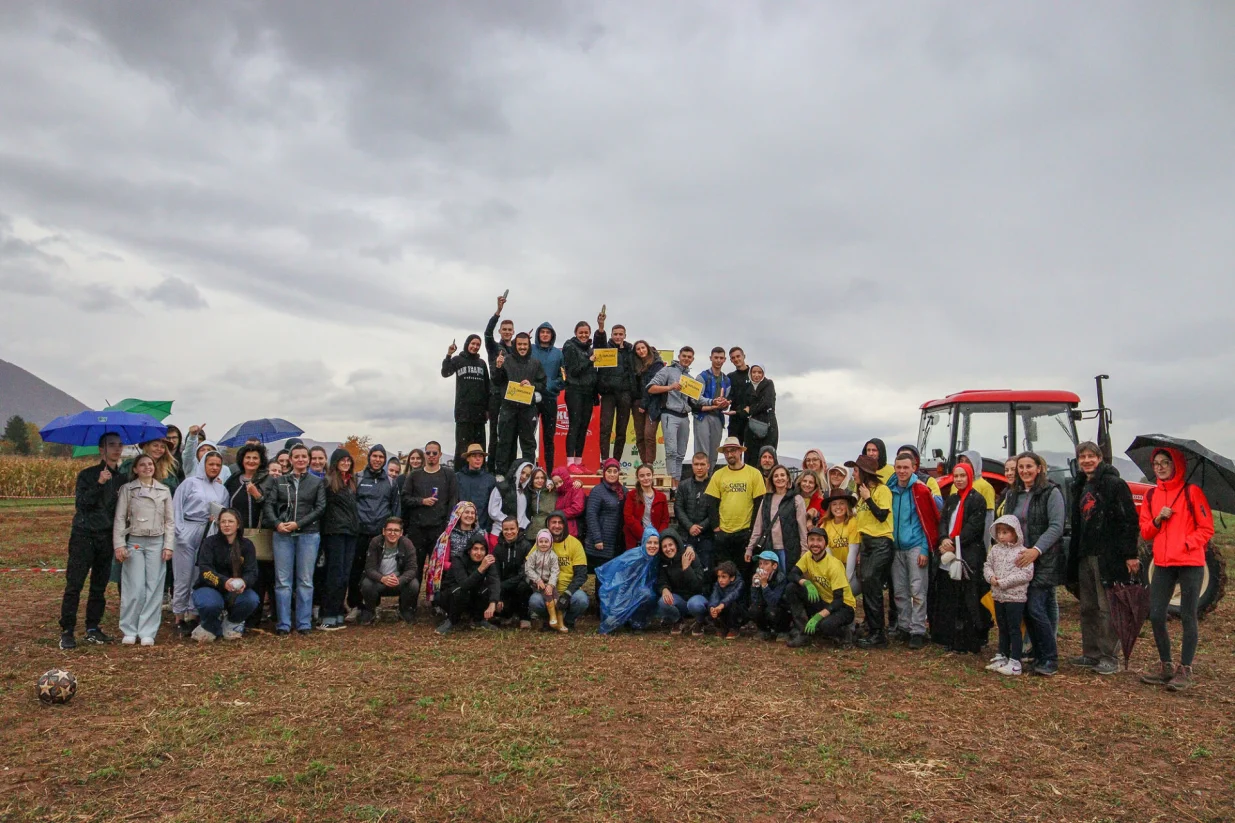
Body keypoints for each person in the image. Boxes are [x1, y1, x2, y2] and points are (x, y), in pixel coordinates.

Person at [1139, 447, 1214, 691]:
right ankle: (1166, 666)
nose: (1160, 467)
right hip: (1162, 563)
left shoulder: (1192, 492)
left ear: (1176, 465)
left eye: (1165, 463)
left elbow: (1206, 529)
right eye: (1156, 463)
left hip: (1190, 563)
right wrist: (1158, 518)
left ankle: (1185, 669)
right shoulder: (1151, 497)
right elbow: (1146, 532)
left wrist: (1186, 544)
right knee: (1157, 614)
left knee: (1188, 614)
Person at [1065, 442, 1140, 676]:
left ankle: (1109, 657)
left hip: (1107, 554)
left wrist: (1130, 554)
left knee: (1107, 606)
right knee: (1088, 606)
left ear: (1100, 458)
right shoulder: (1079, 485)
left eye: (1091, 456)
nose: (1086, 460)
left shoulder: (1114, 485)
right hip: (1085, 552)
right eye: (1082, 457)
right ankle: (1091, 653)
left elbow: (1128, 520)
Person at [1000, 450, 1066, 676]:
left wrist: (1036, 550)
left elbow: (1056, 526)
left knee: (1037, 608)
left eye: (1029, 466)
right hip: (1019, 560)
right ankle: (1037, 654)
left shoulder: (1051, 493)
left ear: (1039, 469)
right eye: (1021, 467)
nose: (1025, 471)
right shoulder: (1013, 494)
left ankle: (1050, 658)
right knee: (1026, 610)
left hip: (1044, 559)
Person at [263, 443, 326, 636]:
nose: (300, 460)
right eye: (296, 457)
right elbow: (269, 504)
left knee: (305, 580)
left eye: (303, 457)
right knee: (283, 581)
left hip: (308, 534)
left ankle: (304, 623)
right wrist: (277, 524)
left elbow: (320, 507)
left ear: (308, 459)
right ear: (290, 460)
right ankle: (283, 624)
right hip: (282, 535)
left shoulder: (316, 482)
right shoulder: (279, 481)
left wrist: (299, 524)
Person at [112, 453, 175, 645]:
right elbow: (120, 518)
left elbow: (170, 521)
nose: (147, 467)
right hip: (135, 541)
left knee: (154, 587)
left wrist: (168, 545)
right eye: (142, 465)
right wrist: (120, 544)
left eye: (150, 464)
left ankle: (148, 631)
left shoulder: (164, 490)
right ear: (135, 469)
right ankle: (129, 629)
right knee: (135, 587)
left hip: (157, 542)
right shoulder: (128, 490)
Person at [931, 462, 990, 654]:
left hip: (968, 555)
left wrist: (954, 541)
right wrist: (943, 539)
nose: (958, 480)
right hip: (949, 553)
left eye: (962, 476)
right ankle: (950, 637)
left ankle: (970, 640)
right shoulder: (951, 500)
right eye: (956, 476)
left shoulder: (977, 500)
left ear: (970, 477)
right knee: (950, 597)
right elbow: (944, 522)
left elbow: (974, 528)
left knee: (968, 599)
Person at [171, 447, 230, 637]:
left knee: (199, 573)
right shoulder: (190, 483)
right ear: (203, 464)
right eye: (211, 464)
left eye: (218, 465)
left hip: (208, 531)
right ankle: (179, 615)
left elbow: (224, 511)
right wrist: (179, 531)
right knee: (183, 575)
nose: (214, 468)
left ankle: (194, 614)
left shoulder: (221, 489)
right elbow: (176, 508)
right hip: (187, 529)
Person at [887, 453, 941, 649]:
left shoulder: (920, 490)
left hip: (916, 545)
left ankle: (918, 629)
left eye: (906, 468)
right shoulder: (890, 490)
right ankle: (904, 626)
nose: (902, 471)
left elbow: (929, 521)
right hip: (896, 546)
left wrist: (925, 549)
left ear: (913, 468)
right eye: (899, 467)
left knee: (917, 589)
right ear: (895, 467)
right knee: (900, 590)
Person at [223, 444, 274, 629]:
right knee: (235, 572)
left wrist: (257, 495)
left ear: (261, 461)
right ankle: (235, 614)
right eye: (248, 458)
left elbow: (272, 506)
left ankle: (254, 618)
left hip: (259, 536)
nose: (251, 461)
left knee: (257, 576)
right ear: (242, 460)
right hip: (236, 536)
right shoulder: (233, 480)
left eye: (255, 458)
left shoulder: (268, 480)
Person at [190, 508, 260, 642]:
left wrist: (244, 582)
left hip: (236, 590)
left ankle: (232, 623)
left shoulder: (247, 545)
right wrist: (224, 582)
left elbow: (252, 572)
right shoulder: (209, 543)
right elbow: (205, 570)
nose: (226, 525)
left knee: (251, 599)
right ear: (218, 524)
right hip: (210, 587)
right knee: (210, 604)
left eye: (230, 521)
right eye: (223, 522)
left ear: (238, 524)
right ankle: (209, 626)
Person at [846, 455, 894, 648]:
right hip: (866, 543)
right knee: (867, 585)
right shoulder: (861, 493)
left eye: (856, 471)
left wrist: (868, 498)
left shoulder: (882, 490)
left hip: (881, 542)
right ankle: (873, 628)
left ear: (865, 473)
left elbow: (882, 515)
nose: (853, 474)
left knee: (871, 583)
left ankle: (879, 634)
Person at [705, 438, 766, 586]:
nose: (730, 454)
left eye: (733, 450)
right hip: (724, 533)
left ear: (740, 451)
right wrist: (716, 528)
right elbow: (711, 503)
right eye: (726, 451)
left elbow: (759, 504)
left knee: (744, 573)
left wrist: (753, 530)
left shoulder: (754, 473)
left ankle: (742, 606)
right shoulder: (718, 474)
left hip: (745, 532)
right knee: (724, 574)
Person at [350, 444, 401, 621]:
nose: (377, 459)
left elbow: (395, 507)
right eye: (375, 456)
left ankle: (373, 605)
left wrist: (393, 529)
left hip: (381, 534)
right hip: (360, 532)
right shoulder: (358, 478)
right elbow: (352, 504)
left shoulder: (390, 482)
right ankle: (355, 604)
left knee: (377, 569)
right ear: (369, 457)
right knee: (357, 569)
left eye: (381, 457)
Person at [785, 528, 857, 648]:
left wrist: (818, 617)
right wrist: (806, 583)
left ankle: (846, 633)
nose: (815, 544)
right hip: (823, 600)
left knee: (825, 626)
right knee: (792, 587)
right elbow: (792, 574)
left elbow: (838, 601)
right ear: (807, 542)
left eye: (819, 540)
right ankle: (804, 632)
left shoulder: (834, 565)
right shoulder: (808, 556)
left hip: (843, 606)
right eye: (811, 540)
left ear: (825, 543)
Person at [983, 515, 1034, 676]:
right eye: (999, 532)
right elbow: (987, 565)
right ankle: (1002, 655)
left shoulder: (1022, 552)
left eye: (1005, 532)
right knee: (1002, 627)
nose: (1001, 536)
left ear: (1015, 533)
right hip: (998, 595)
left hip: (1015, 597)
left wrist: (1005, 582)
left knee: (1014, 628)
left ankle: (1015, 660)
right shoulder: (995, 550)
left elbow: (1026, 574)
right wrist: (990, 577)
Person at [400, 441, 460, 574]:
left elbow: (453, 501)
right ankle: (411, 594)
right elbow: (404, 498)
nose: (431, 455)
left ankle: (434, 595)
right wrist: (422, 501)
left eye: (434, 453)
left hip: (439, 530)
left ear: (440, 455)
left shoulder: (449, 475)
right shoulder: (414, 475)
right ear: (425, 455)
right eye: (428, 453)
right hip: (417, 530)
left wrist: (448, 527)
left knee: (437, 570)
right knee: (415, 569)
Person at [493, 332, 547, 474]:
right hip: (508, 408)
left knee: (528, 445)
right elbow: (497, 381)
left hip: (527, 410)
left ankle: (529, 475)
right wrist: (498, 367)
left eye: (525, 345)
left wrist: (532, 384)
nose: (522, 347)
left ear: (529, 346)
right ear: (515, 345)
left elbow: (543, 384)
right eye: (519, 344)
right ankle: (502, 474)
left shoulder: (536, 363)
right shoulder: (506, 360)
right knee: (505, 442)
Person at [528, 512, 590, 630]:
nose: (557, 526)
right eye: (553, 522)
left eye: (560, 522)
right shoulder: (542, 542)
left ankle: (568, 621)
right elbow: (527, 567)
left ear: (565, 525)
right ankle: (549, 621)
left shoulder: (575, 543)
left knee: (582, 600)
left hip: (568, 590)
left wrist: (567, 594)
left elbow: (581, 574)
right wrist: (537, 582)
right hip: (546, 591)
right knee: (534, 601)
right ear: (548, 524)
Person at [319, 449, 358, 630]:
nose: (346, 463)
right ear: (335, 462)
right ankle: (328, 614)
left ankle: (338, 612)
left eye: (348, 460)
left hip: (350, 532)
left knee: (344, 574)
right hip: (334, 532)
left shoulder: (351, 482)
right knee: (333, 574)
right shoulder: (327, 482)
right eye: (342, 460)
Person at [596, 526, 663, 633]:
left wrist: (689, 547)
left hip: (644, 593)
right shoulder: (634, 558)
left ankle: (637, 623)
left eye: (656, 543)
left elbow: (677, 546)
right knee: (611, 623)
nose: (652, 546)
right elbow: (621, 584)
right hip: (625, 593)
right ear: (643, 542)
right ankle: (623, 618)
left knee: (647, 594)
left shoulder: (657, 558)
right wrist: (615, 611)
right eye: (649, 542)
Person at [647, 346, 695, 486]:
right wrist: (670, 387)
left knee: (680, 454)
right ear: (679, 356)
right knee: (671, 452)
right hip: (669, 414)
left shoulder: (690, 378)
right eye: (684, 356)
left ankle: (677, 485)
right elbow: (651, 387)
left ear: (692, 359)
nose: (686, 359)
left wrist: (714, 402)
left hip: (685, 416)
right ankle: (671, 486)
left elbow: (696, 400)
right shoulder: (667, 370)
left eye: (689, 357)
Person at [745, 464, 807, 571]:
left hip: (789, 549)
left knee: (787, 580)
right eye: (776, 476)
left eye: (782, 475)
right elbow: (758, 526)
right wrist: (750, 548)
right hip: (769, 549)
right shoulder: (766, 500)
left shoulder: (796, 499)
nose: (779, 478)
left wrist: (804, 550)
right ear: (772, 479)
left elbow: (802, 528)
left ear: (788, 478)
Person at [358, 517, 420, 625]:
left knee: (414, 584)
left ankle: (404, 610)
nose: (392, 533)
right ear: (383, 531)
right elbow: (369, 568)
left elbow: (412, 569)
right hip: (379, 581)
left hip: (398, 582)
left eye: (396, 530)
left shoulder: (407, 544)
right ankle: (370, 611)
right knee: (366, 584)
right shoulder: (375, 542)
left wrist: (400, 579)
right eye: (389, 530)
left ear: (401, 533)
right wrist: (382, 578)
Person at [441, 333, 491, 465]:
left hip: (479, 413)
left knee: (479, 447)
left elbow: (487, 387)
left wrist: (488, 409)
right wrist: (449, 355)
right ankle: (460, 474)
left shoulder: (482, 363)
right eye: (473, 344)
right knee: (463, 447)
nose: (475, 347)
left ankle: (480, 472)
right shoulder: (458, 360)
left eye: (478, 345)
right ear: (467, 344)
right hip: (463, 412)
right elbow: (445, 372)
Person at [434, 536, 500, 635]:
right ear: (469, 550)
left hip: (472, 596)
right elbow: (464, 584)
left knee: (486, 588)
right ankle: (451, 620)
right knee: (461, 591)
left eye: (482, 549)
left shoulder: (488, 561)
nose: (479, 553)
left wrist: (493, 602)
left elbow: (495, 581)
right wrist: (481, 569)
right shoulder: (458, 560)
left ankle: (478, 619)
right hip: (451, 596)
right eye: (475, 549)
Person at [594, 316, 637, 463]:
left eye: (621, 334)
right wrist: (601, 327)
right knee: (605, 428)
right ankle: (605, 460)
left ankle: (616, 462)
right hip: (608, 394)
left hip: (625, 394)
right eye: (615, 334)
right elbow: (598, 342)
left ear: (625, 335)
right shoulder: (605, 348)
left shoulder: (631, 351)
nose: (618, 337)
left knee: (621, 430)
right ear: (611, 335)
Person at [484, 293, 517, 473]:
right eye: (504, 329)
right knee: (495, 436)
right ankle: (492, 470)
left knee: (510, 435)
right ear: (500, 331)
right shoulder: (494, 347)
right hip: (496, 395)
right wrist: (498, 311)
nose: (506, 331)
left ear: (513, 331)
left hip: (513, 396)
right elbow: (487, 333)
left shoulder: (517, 349)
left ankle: (510, 470)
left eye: (509, 329)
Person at [561, 320, 598, 476]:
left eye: (586, 332)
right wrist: (589, 362)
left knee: (583, 427)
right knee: (574, 425)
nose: (584, 335)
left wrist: (595, 393)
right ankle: (569, 462)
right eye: (581, 332)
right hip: (574, 390)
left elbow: (592, 374)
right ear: (576, 333)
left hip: (588, 392)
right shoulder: (569, 346)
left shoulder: (590, 350)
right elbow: (574, 371)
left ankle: (578, 461)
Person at [654, 528, 708, 634]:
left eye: (670, 545)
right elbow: (662, 580)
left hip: (696, 597)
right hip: (679, 599)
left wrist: (686, 569)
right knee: (663, 601)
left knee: (694, 605)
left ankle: (700, 621)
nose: (668, 549)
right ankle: (678, 621)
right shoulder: (663, 561)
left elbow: (698, 586)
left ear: (677, 544)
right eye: (664, 546)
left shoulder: (690, 555)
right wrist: (664, 589)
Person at [530, 322, 563, 472]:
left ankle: (549, 472)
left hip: (550, 399)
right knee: (529, 436)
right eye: (542, 332)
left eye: (547, 332)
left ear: (552, 335)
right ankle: (529, 468)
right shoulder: (530, 349)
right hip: (531, 399)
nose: (544, 334)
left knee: (549, 438)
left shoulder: (558, 353)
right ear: (538, 334)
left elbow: (563, 377)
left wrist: (550, 386)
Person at [675, 452, 716, 572]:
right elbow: (678, 508)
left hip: (706, 535)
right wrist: (690, 526)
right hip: (686, 535)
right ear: (692, 465)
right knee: (686, 570)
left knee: (705, 569)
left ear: (708, 465)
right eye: (696, 464)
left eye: (702, 464)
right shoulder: (683, 485)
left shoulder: (714, 485)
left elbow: (716, 509)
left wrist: (701, 527)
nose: (699, 467)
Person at [585, 458, 626, 569]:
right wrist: (597, 538)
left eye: (615, 471)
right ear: (604, 473)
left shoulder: (623, 491)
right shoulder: (598, 490)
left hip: (616, 542)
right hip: (601, 542)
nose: (612, 474)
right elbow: (591, 515)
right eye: (609, 471)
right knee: (602, 576)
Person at [693, 347, 732, 462]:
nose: (718, 360)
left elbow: (726, 401)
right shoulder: (702, 376)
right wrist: (712, 401)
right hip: (702, 416)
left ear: (725, 360)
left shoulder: (726, 380)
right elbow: (696, 398)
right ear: (711, 358)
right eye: (716, 358)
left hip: (718, 417)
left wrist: (725, 403)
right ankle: (701, 479)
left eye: (721, 358)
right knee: (702, 452)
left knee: (714, 452)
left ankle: (711, 477)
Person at [492, 517, 533, 626]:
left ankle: (525, 617)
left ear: (518, 529)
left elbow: (525, 572)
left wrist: (503, 585)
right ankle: (506, 615)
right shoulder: (497, 549)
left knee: (523, 586)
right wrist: (498, 592)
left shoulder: (526, 546)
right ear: (502, 530)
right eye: (506, 529)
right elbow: (495, 573)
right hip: (504, 587)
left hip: (519, 583)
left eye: (512, 529)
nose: (509, 532)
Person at [819, 489, 861, 594]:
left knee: (848, 589)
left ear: (847, 506)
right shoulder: (825, 525)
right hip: (835, 566)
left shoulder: (852, 522)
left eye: (842, 503)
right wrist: (835, 576)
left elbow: (853, 552)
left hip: (852, 567)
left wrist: (846, 579)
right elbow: (828, 555)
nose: (838, 507)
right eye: (834, 504)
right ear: (830, 507)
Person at [525, 529, 567, 631]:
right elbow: (528, 568)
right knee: (548, 595)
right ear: (537, 542)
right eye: (541, 541)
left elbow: (555, 571)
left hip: (550, 583)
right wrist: (537, 579)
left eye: (546, 541)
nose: (543, 544)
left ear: (550, 542)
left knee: (556, 598)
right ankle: (552, 617)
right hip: (538, 583)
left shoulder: (553, 556)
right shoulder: (534, 555)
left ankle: (560, 622)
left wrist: (551, 584)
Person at [631, 340, 663, 466]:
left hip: (653, 404)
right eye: (638, 349)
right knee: (639, 436)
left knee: (648, 435)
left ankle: (650, 464)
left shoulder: (657, 364)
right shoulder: (636, 364)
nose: (641, 351)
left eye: (643, 348)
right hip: (637, 403)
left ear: (647, 348)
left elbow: (651, 386)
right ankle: (644, 465)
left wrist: (644, 404)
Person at [623, 463, 669, 549]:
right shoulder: (631, 495)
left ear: (652, 476)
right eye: (642, 476)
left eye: (648, 475)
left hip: (656, 541)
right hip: (636, 541)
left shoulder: (662, 497)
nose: (646, 478)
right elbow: (628, 518)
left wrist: (656, 537)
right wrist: (644, 536)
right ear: (638, 478)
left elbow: (665, 520)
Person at [748, 550, 789, 641]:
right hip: (765, 605)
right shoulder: (758, 577)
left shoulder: (781, 578)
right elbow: (755, 600)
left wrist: (765, 585)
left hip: (780, 609)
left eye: (766, 563)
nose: (762, 566)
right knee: (754, 609)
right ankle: (764, 630)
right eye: (760, 563)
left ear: (774, 566)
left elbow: (773, 601)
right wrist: (754, 586)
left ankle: (782, 631)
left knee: (772, 611)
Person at [456, 444, 497, 535]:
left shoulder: (490, 479)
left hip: (482, 528)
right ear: (467, 458)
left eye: (480, 456)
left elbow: (493, 505)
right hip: (460, 528)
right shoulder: (458, 477)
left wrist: (488, 527)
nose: (478, 459)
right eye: (474, 456)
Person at [488, 461, 534, 539]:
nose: (524, 476)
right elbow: (493, 511)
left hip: (518, 535)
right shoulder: (502, 487)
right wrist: (510, 522)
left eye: (527, 475)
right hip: (499, 533)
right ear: (516, 470)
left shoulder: (525, 492)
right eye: (522, 472)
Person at [742, 365, 778, 458]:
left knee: (767, 454)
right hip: (751, 426)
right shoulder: (747, 387)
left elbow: (767, 402)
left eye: (759, 372)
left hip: (768, 423)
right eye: (754, 372)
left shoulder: (768, 384)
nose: (756, 375)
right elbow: (744, 405)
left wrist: (751, 409)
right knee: (751, 456)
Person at [706, 560, 745, 639]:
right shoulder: (717, 585)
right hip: (723, 608)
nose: (720, 580)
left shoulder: (740, 583)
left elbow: (733, 595)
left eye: (723, 577)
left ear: (732, 578)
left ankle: (734, 629)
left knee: (732, 604)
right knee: (711, 607)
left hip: (738, 612)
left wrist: (721, 605)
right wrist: (712, 608)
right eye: (719, 576)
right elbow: (714, 596)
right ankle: (721, 628)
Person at [725, 347, 752, 445]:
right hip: (735, 420)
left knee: (751, 454)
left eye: (738, 356)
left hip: (751, 419)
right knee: (734, 451)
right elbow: (728, 396)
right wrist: (726, 402)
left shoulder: (754, 374)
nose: (736, 359)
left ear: (744, 356)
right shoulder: (729, 377)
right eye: (733, 358)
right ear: (731, 360)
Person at [550, 467, 586, 538]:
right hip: (559, 528)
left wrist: (559, 514)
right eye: (556, 483)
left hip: (572, 529)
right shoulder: (557, 492)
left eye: (560, 481)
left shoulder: (575, 489)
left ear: (566, 478)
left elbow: (577, 508)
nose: (559, 485)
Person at [526, 467, 558, 535]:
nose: (540, 480)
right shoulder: (529, 493)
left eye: (542, 478)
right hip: (533, 531)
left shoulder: (552, 490)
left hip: (550, 529)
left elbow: (564, 484)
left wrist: (579, 482)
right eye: (536, 478)